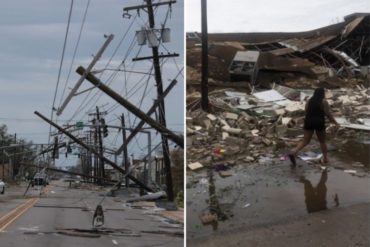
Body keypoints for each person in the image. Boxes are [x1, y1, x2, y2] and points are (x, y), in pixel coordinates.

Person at [288, 87, 339, 166]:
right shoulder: (323, 102)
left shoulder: (309, 101)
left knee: (305, 141)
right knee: (322, 141)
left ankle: (293, 152)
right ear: (322, 94)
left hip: (309, 121)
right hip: (319, 122)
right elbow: (328, 114)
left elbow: (306, 111)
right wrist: (335, 123)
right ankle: (325, 158)